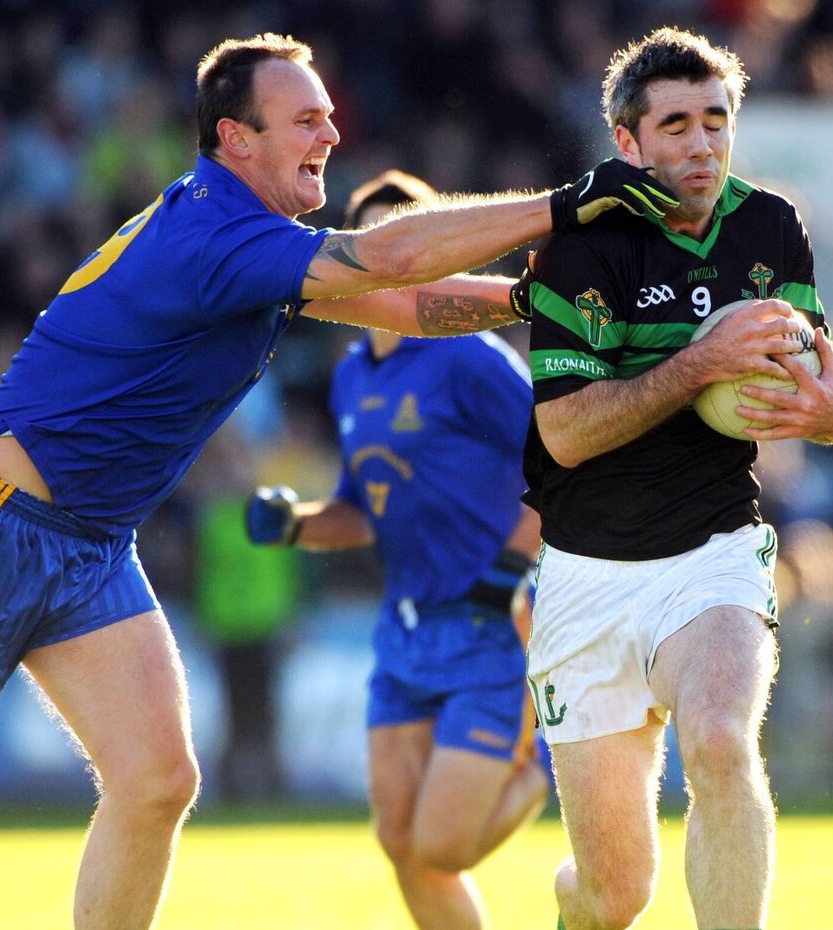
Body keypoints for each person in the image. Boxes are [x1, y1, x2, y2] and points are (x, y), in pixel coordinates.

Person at [0, 33, 676, 930]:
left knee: (159, 781)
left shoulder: (254, 241)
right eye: (305, 119)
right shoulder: (215, 232)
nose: (330, 134)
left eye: (329, 116)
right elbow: (390, 261)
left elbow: (405, 305)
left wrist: (524, 298)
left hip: (91, 542)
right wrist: (567, 206)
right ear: (236, 139)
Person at [519, 27, 833, 930]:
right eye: (675, 126)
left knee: (719, 742)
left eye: (716, 121)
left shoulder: (770, 226)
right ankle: (575, 901)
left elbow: (832, 392)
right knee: (613, 896)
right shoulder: (582, 248)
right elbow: (565, 435)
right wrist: (699, 365)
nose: (702, 144)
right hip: (587, 575)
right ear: (626, 141)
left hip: (714, 551)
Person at [245, 169, 550, 930]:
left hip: (489, 624)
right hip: (404, 632)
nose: (396, 252)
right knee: (399, 842)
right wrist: (295, 524)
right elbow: (362, 511)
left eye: (410, 236)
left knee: (441, 847)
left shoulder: (469, 354)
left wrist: (511, 570)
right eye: (378, 238)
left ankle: (538, 769)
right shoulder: (352, 375)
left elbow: (561, 461)